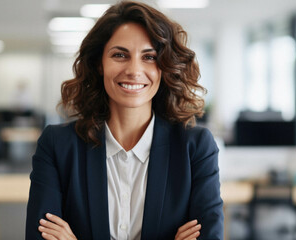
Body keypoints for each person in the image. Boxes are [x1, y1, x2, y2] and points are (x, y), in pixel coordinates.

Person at [25, 1, 223, 239]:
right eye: (120, 55)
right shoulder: (58, 145)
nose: (134, 70)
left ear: (165, 67)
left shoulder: (195, 148)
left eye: (149, 57)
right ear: (100, 63)